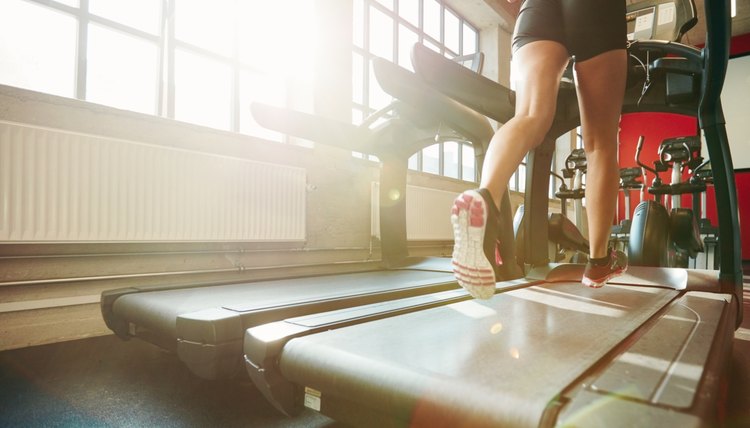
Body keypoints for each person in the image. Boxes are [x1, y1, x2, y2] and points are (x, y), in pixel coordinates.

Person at [451, 0, 629, 299]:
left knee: (530, 116)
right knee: (599, 144)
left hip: (536, 8)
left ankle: (486, 198)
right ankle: (599, 261)